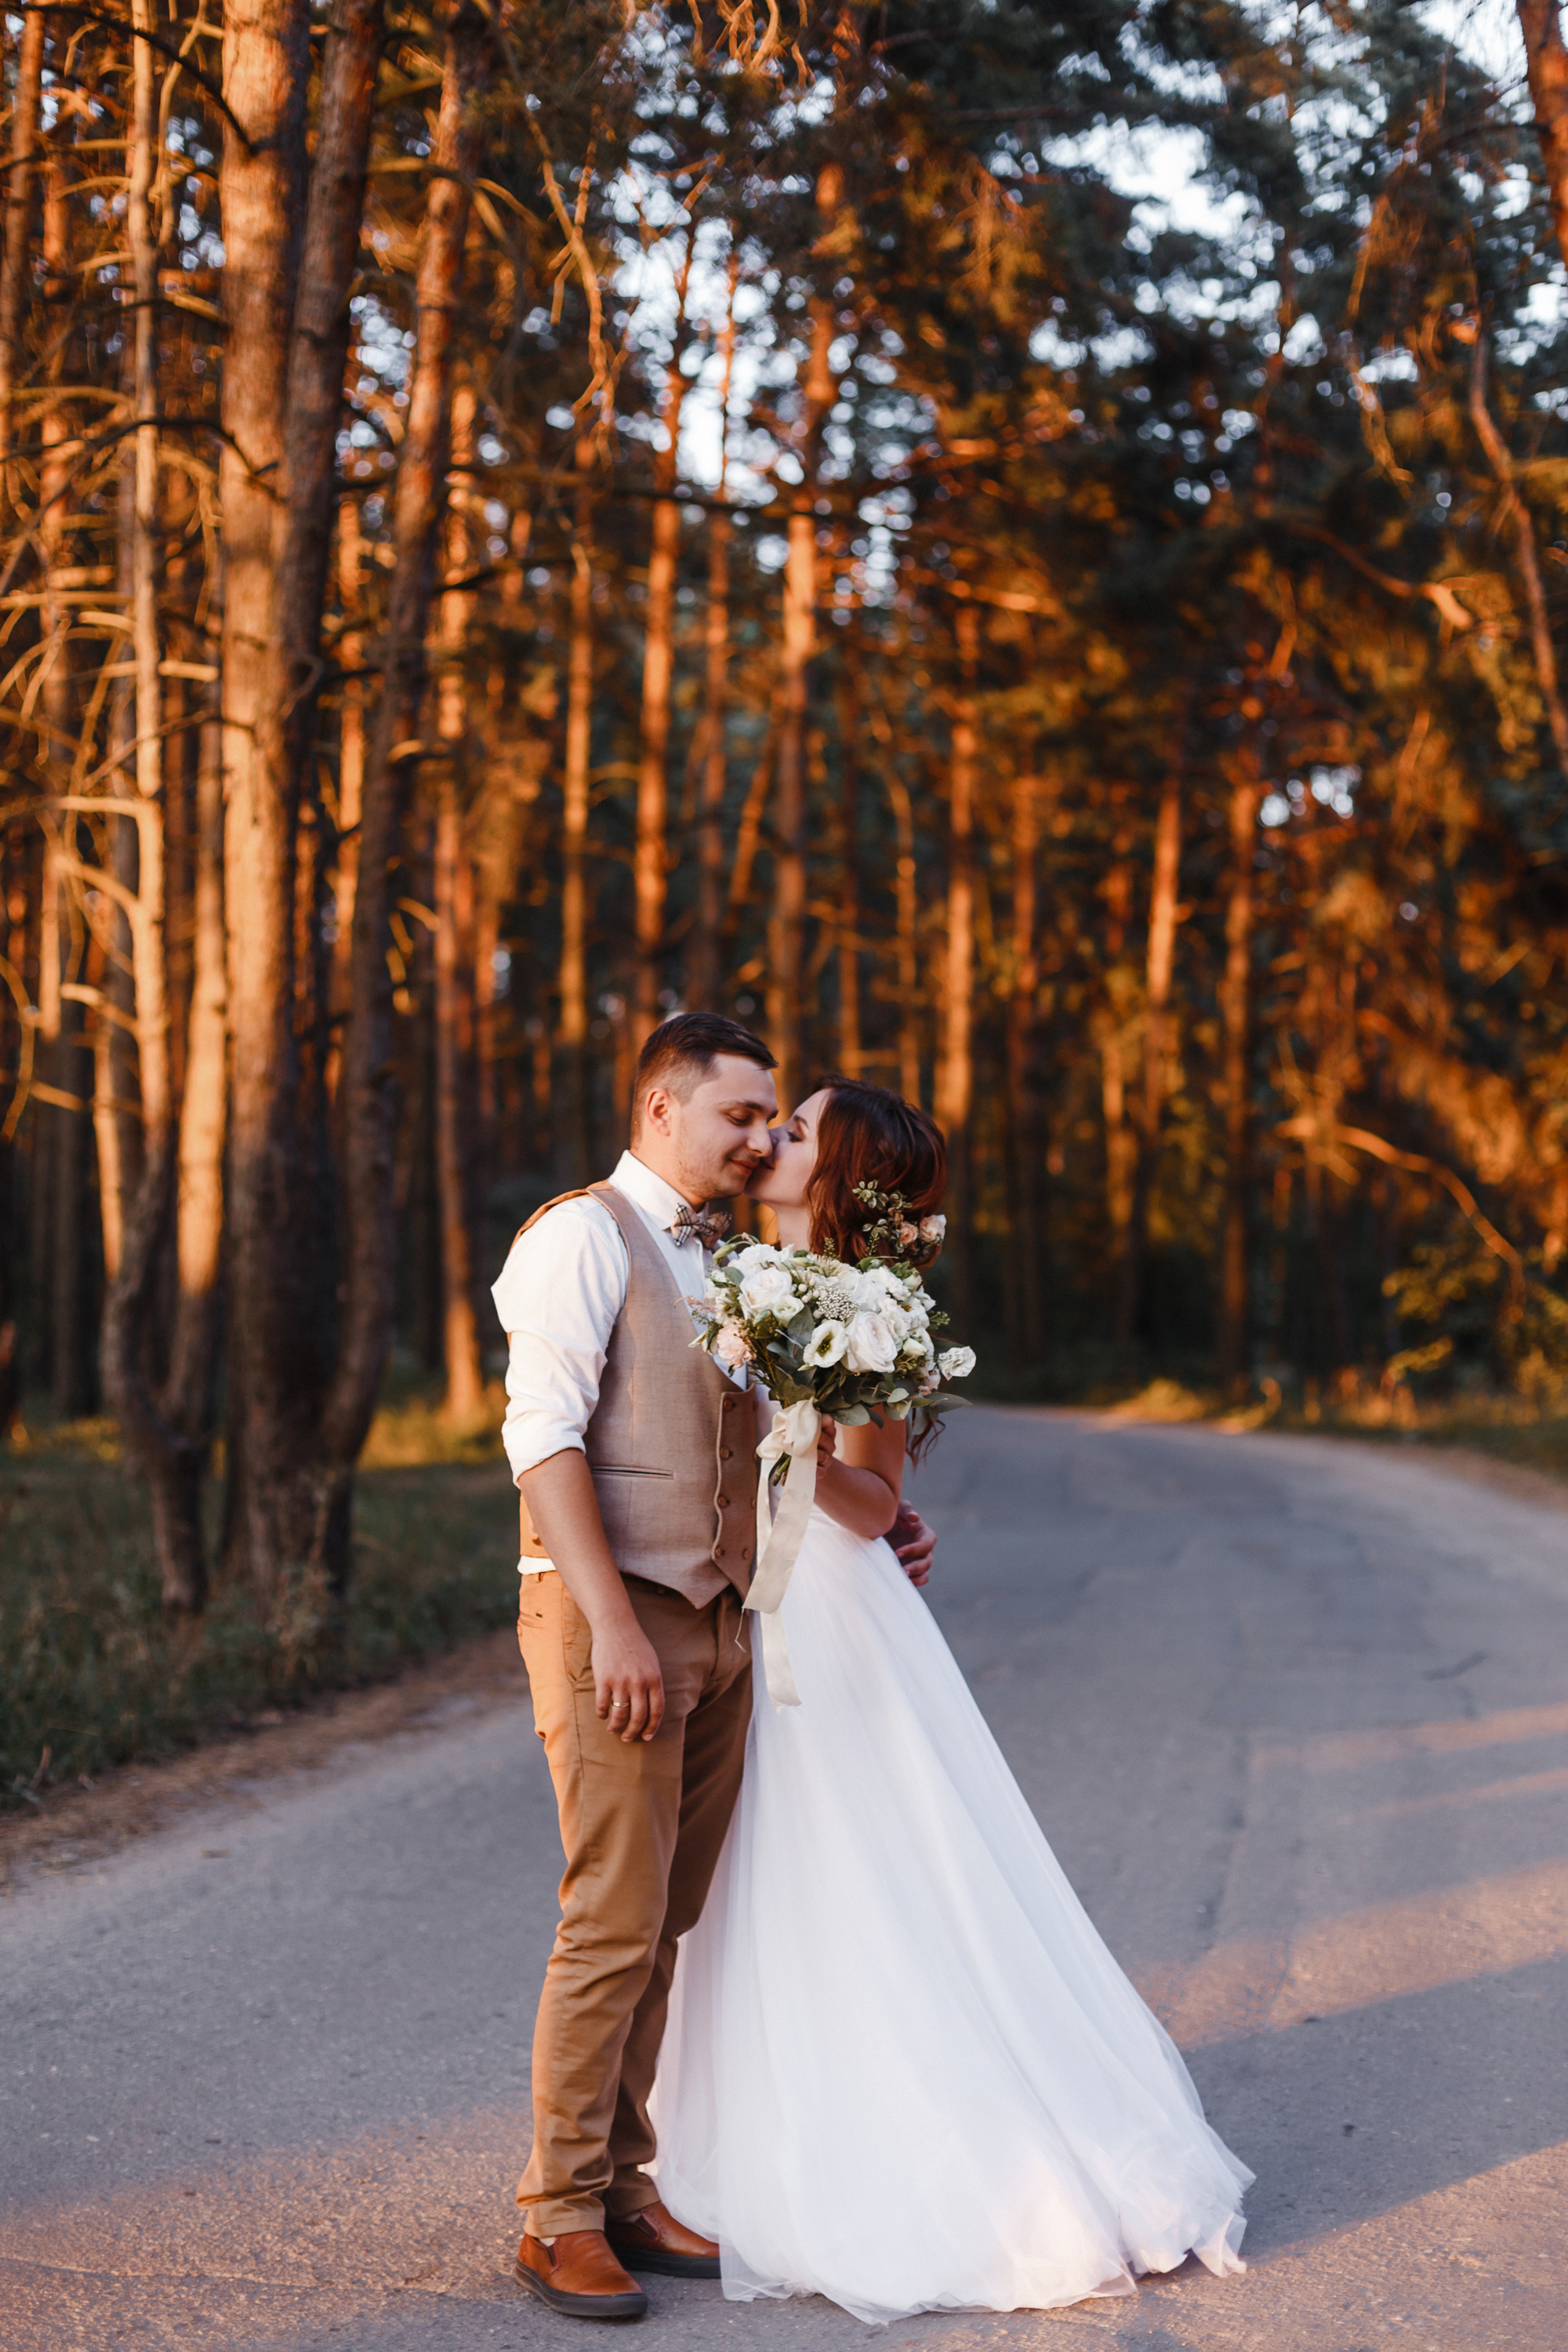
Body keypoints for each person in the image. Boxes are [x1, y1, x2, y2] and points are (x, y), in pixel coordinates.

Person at [651, 1079, 1254, 2324]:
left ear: (838, 1177)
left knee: (839, 1872)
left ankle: (910, 2155)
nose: (773, 1140)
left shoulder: (863, 1306)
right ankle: (731, 2126)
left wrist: (792, 1433)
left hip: (820, 1608)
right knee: (739, 1871)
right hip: (738, 1588)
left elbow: (867, 1503)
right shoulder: (734, 1259)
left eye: (801, 1130)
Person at [491, 1017, 938, 2321]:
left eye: (769, 1122)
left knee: (667, 1923)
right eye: (741, 1117)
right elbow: (543, 1444)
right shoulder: (580, 1237)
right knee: (609, 1921)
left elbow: (770, 1446)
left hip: (728, 1622)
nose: (758, 1140)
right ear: (660, 1109)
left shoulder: (738, 1262)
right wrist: (614, 1625)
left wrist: (882, 1509)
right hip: (613, 1624)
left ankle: (628, 2186)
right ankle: (557, 2213)